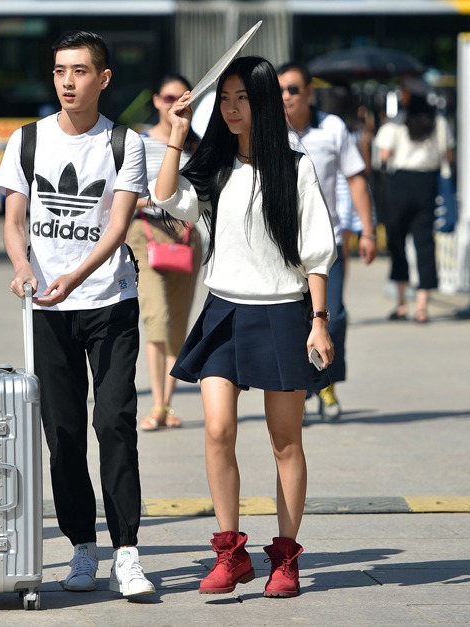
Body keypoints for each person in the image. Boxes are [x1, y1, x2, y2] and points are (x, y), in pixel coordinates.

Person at [150, 56, 336, 598]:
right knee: (216, 430)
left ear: (263, 102)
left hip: (283, 312)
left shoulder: (296, 167)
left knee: (285, 442)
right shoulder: (214, 166)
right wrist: (178, 135)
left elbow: (317, 253)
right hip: (224, 310)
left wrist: (318, 322)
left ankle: (285, 559)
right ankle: (230, 555)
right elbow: (166, 198)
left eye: (241, 99)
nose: (231, 109)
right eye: (224, 99)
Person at [0, 30, 155, 597]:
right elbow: (15, 221)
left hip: (108, 301)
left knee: (113, 422)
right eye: (61, 70)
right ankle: (82, 547)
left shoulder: (124, 144)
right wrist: (23, 267)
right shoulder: (27, 140)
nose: (68, 81)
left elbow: (118, 226)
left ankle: (128, 552)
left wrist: (77, 276)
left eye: (80, 71)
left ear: (103, 79)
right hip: (47, 308)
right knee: (61, 433)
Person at [276, 62, 378, 422]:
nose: (285, 96)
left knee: (332, 318)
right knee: (295, 321)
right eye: (279, 90)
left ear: (308, 92)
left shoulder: (331, 128)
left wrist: (367, 230)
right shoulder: (269, 129)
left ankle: (327, 383)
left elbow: (356, 180)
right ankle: (303, 390)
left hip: (327, 244)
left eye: (292, 89)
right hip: (283, 247)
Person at [129, 73, 203, 432]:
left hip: (187, 236)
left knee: (177, 324)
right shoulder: (138, 143)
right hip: (145, 232)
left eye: (181, 99)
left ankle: (165, 404)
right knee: (156, 318)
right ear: (157, 100)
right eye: (167, 98)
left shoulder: (198, 146)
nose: (173, 104)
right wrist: (159, 200)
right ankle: (158, 404)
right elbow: (124, 195)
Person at [375, 92, 443, 323]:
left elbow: (383, 155)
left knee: (397, 241)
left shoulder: (396, 124)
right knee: (424, 242)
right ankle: (422, 306)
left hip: (401, 183)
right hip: (427, 182)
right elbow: (448, 154)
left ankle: (402, 303)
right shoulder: (439, 123)